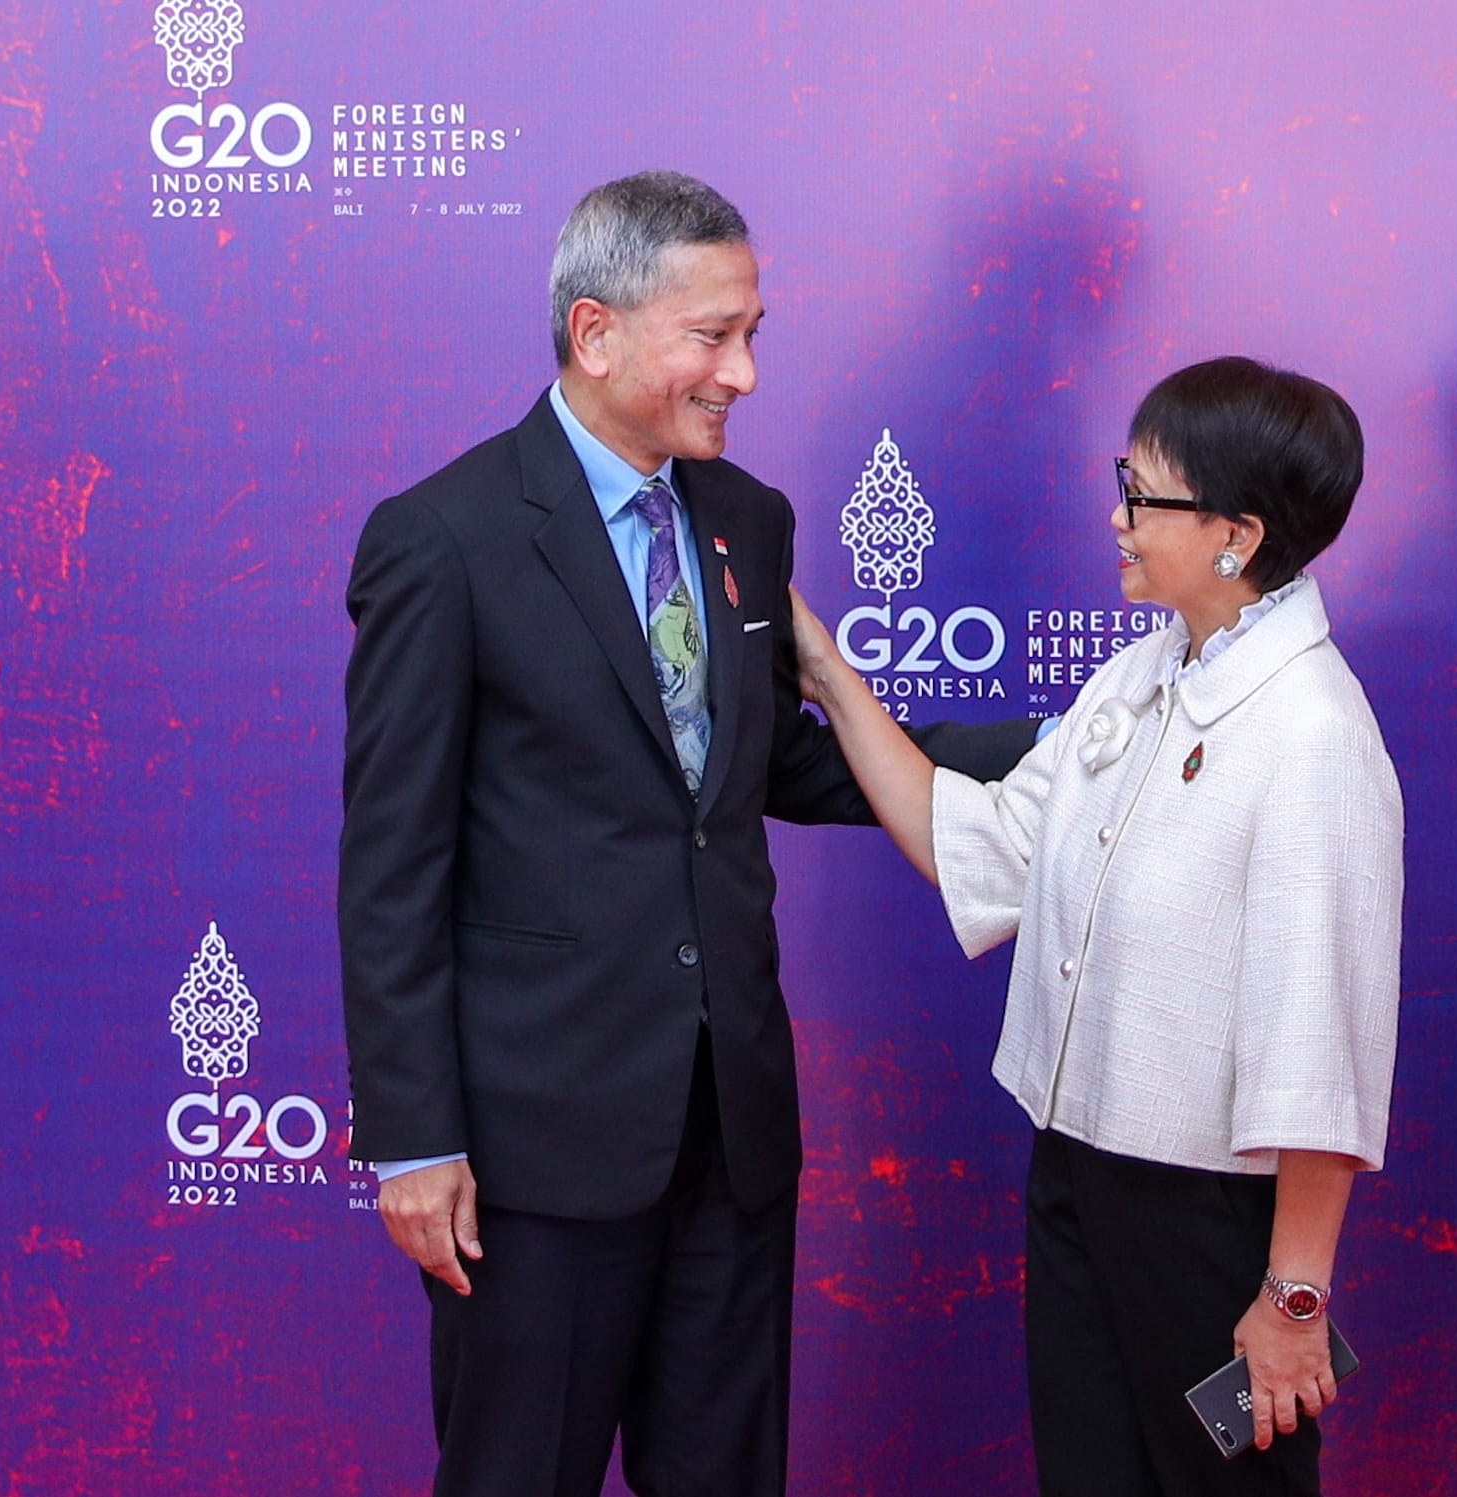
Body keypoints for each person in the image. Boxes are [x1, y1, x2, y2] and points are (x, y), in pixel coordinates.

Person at [338, 169, 1033, 1497]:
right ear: (595, 334)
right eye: (712, 337)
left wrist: (1071, 744)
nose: (747, 374)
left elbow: (774, 767)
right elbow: (390, 870)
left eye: (754, 332)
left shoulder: (745, 521)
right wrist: (415, 1139)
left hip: (732, 1130)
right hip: (536, 1148)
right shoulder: (446, 540)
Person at [790, 355, 1403, 1496]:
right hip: (1077, 1174)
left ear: (1236, 532)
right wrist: (823, 665)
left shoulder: (1312, 737)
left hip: (1209, 1221)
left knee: (1225, 1484)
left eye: (1142, 493)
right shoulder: (1139, 677)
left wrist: (1291, 1300)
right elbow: (973, 842)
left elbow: (1320, 1051)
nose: (1114, 518)